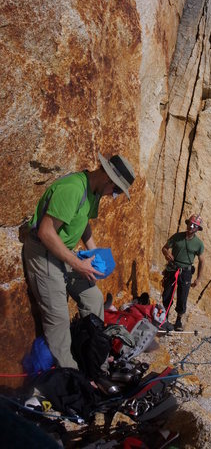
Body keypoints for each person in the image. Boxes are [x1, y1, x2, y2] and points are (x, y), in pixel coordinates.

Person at [23, 152, 135, 369]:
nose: (115, 195)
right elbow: (46, 232)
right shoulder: (73, 189)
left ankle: (94, 361)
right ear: (108, 179)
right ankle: (70, 374)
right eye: (117, 190)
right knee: (59, 319)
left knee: (93, 298)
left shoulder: (93, 192)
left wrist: (92, 250)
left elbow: (82, 222)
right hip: (44, 252)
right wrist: (77, 264)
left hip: (63, 251)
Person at [161, 214, 205, 331]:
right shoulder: (177, 237)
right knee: (167, 293)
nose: (191, 227)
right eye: (190, 224)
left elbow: (202, 261)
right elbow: (164, 248)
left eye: (194, 225)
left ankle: (179, 320)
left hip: (186, 272)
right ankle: (164, 317)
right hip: (172, 269)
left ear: (197, 229)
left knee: (182, 296)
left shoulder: (199, 244)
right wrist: (166, 254)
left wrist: (198, 279)